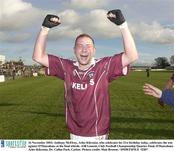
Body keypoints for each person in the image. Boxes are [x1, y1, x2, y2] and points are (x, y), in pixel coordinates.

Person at [33, 9, 138, 140]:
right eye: (80, 46)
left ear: (94, 50)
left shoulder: (104, 66)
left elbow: (132, 56)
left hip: (97, 133)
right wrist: (45, 29)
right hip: (74, 133)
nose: (84, 49)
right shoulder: (66, 66)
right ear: (74, 50)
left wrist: (123, 26)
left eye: (88, 46)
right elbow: (38, 56)